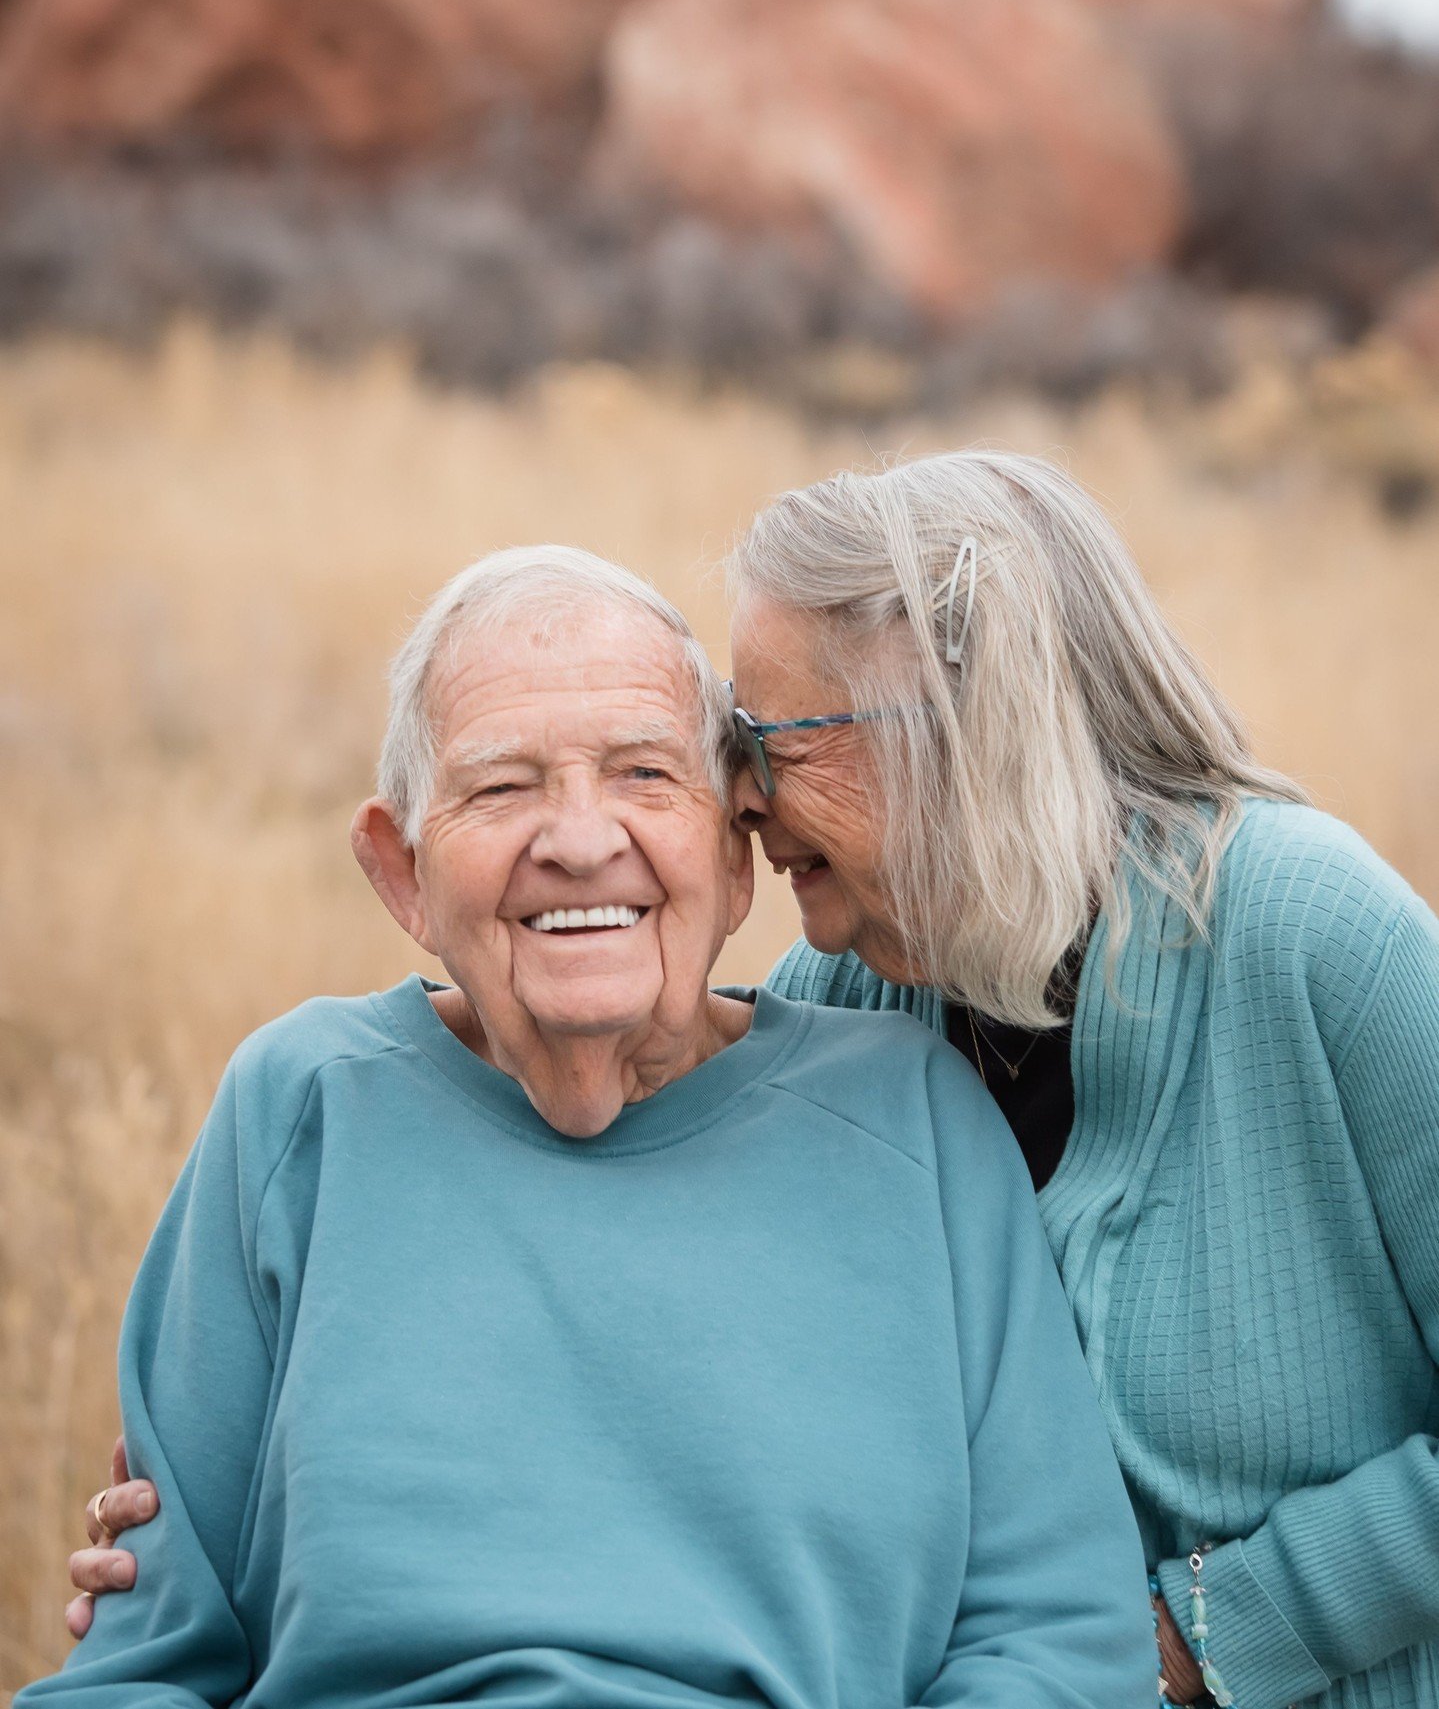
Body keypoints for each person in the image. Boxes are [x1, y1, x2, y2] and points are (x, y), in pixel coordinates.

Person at [31, 543, 1155, 1709]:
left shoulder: (910, 1119)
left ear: (735, 853)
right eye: (501, 786)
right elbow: (143, 1665)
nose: (577, 838)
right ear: (401, 871)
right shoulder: (303, 1106)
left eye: (642, 775)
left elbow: (1059, 1644)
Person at [721, 451, 1439, 1709]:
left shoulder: (1306, 932)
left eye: (773, 740)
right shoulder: (831, 1004)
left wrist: (1202, 1637)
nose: (743, 798)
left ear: (961, 720)